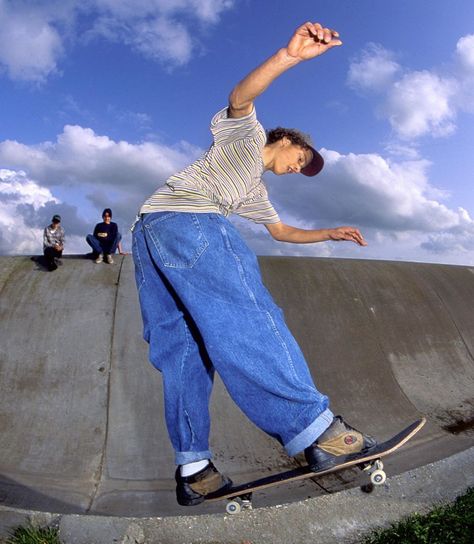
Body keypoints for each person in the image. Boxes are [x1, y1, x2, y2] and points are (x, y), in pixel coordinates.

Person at [132, 21, 377, 506]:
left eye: (304, 170)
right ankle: (316, 430)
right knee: (250, 316)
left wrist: (329, 232)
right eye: (300, 158)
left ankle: (194, 468)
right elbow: (241, 95)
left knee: (181, 350)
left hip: (150, 231)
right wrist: (289, 57)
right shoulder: (247, 137)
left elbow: (281, 231)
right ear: (284, 140)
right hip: (193, 222)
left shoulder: (254, 192)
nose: (298, 169)